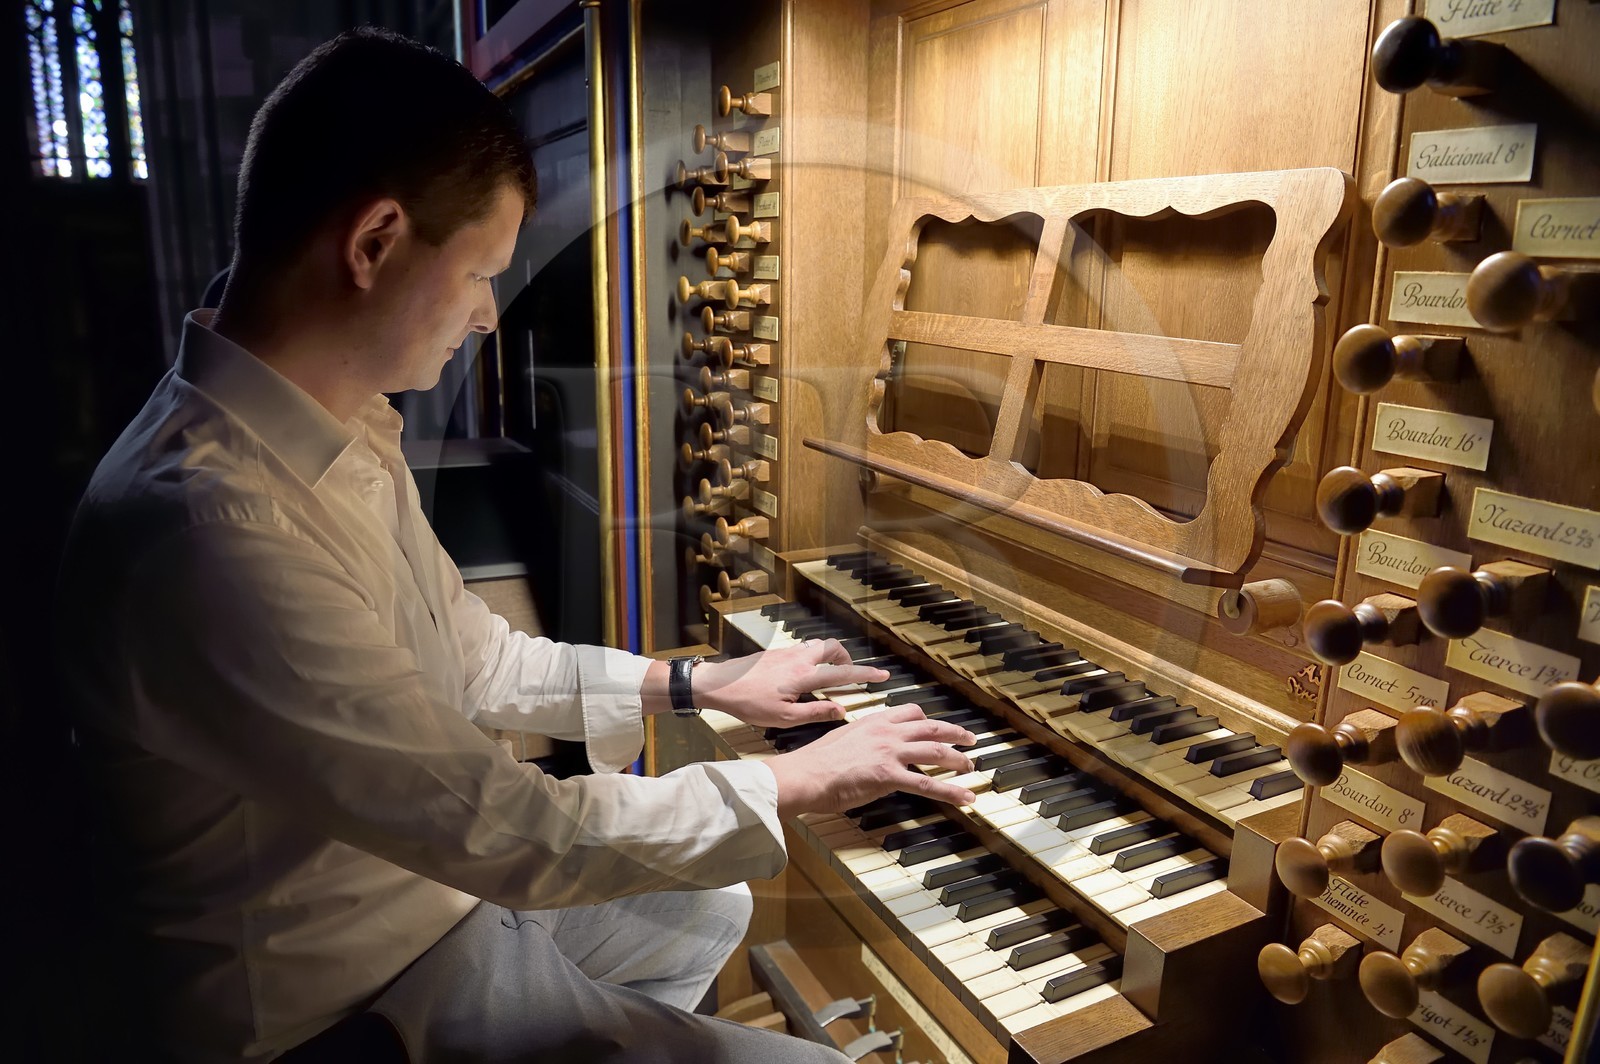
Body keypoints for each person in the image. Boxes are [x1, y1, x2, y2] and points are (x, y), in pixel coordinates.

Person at [55, 27, 978, 1064]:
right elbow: (500, 829)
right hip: (338, 998)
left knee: (704, 893)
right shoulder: (208, 531)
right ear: (375, 243)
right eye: (482, 272)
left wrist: (708, 685)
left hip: (425, 892)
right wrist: (797, 779)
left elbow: (483, 659)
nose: (490, 315)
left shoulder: (331, 419)